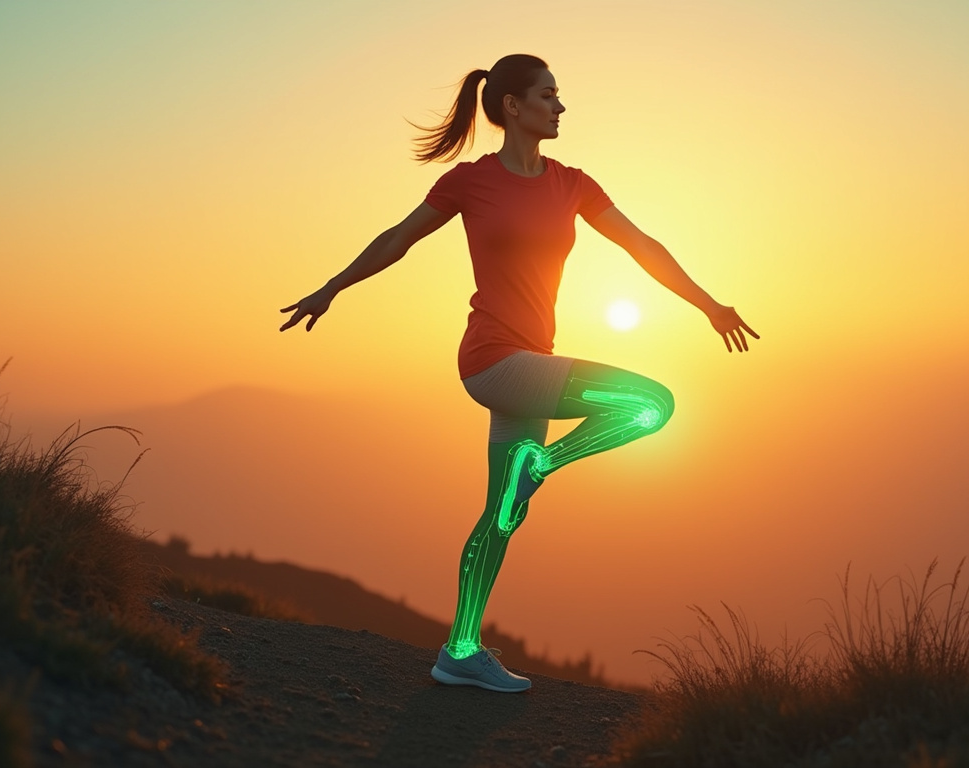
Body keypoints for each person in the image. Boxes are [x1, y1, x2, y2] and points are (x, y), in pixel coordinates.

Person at [279, 54, 756, 693]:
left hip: (532, 365)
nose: (560, 107)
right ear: (512, 106)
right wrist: (331, 287)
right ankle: (545, 465)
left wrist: (708, 304)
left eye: (559, 96)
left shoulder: (572, 183)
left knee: (501, 516)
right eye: (548, 95)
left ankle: (460, 649)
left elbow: (643, 246)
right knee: (651, 404)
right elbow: (399, 237)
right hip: (493, 360)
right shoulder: (470, 182)